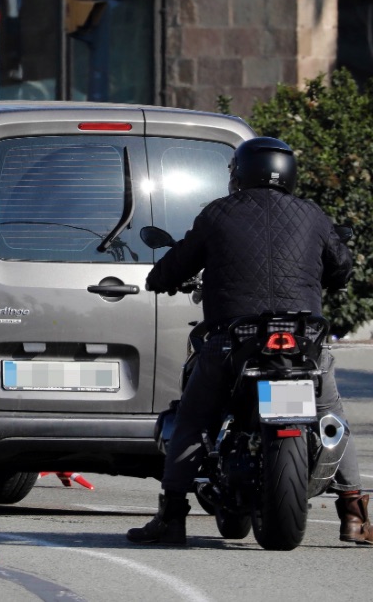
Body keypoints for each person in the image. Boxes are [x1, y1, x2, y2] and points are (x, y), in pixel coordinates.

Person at [128, 136, 371, 546]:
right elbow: (342, 267)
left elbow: (176, 263)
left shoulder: (218, 214)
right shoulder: (311, 214)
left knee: (193, 416)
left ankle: (171, 517)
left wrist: (159, 278)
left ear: (239, 173)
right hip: (303, 340)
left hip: (233, 339)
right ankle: (354, 514)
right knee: (332, 417)